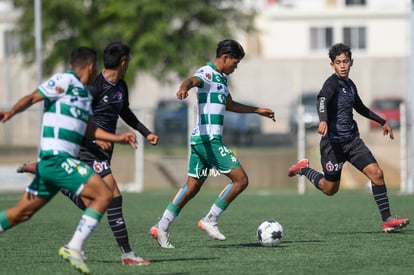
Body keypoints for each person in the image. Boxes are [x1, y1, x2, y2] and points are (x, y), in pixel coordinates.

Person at [16, 42, 158, 265]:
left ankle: (52, 178)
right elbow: (79, 118)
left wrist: (145, 132)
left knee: (91, 202)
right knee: (113, 198)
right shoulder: (94, 87)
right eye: (128, 61)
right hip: (87, 147)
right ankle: (127, 255)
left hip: (103, 151)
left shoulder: (121, 86)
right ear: (124, 62)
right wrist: (97, 137)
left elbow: (125, 112)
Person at [149, 39, 276, 248]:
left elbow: (230, 104)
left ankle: (161, 226)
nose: (236, 67)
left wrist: (257, 110)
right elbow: (192, 80)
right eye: (235, 63)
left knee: (191, 188)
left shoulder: (222, 80)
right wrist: (183, 88)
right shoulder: (207, 73)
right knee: (241, 180)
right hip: (209, 139)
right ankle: (210, 219)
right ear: (225, 58)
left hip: (200, 140)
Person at [287, 43, 410, 233]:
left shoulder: (350, 85)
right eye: (338, 62)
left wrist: (381, 120)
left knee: (377, 174)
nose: (342, 65)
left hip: (353, 142)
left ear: (351, 62)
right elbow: (322, 100)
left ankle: (387, 220)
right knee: (330, 189)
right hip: (333, 145)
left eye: (345, 62)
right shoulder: (332, 83)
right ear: (332, 65)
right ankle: (303, 169)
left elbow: (360, 107)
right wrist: (323, 120)